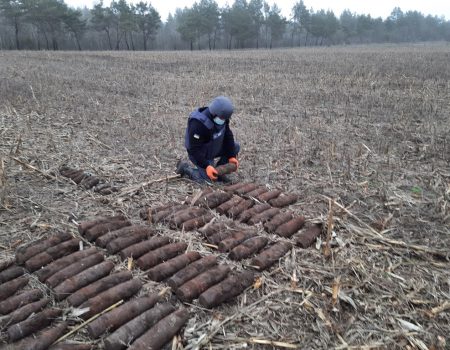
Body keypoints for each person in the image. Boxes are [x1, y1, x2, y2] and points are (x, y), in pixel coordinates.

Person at [176, 96, 239, 183]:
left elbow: (228, 135)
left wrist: (231, 156)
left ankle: (219, 172)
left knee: (235, 147)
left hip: (213, 147)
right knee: (207, 181)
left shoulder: (222, 118)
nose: (223, 120)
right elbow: (194, 150)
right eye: (222, 118)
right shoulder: (198, 124)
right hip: (200, 153)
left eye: (225, 119)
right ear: (214, 113)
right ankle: (186, 168)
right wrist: (206, 166)